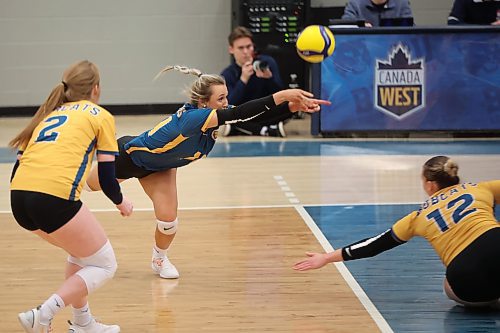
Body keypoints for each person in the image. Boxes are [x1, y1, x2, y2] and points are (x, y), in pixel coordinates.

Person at [85, 65, 330, 280]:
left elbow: (247, 116)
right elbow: (239, 113)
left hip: (160, 168)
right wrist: (281, 95)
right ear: (204, 103)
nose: (226, 103)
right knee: (84, 186)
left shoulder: (211, 119)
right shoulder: (193, 119)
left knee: (168, 222)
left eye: (226, 98)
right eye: (221, 99)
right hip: (128, 158)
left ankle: (159, 259)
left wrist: (290, 107)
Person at [9, 60, 133, 333]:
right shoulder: (100, 115)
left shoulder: (47, 114)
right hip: (52, 198)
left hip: (18, 199)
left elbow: (18, 166)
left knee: (81, 254)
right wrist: (121, 202)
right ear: (96, 89)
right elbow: (106, 178)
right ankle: (42, 313)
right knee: (105, 263)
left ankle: (82, 323)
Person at [294, 156, 500, 308]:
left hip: (466, 277)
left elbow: (374, 245)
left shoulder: (418, 217)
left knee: (449, 288)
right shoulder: (481, 189)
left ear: (430, 185)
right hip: (495, 242)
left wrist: (326, 258)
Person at [220, 26, 293, 137]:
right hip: (244, 113)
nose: (246, 52)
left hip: (266, 111)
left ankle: (242, 129)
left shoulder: (266, 62)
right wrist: (243, 80)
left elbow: (280, 94)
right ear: (231, 49)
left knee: (293, 104)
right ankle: (266, 130)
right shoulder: (228, 73)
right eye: (241, 48)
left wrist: (269, 79)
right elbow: (229, 104)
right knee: (225, 115)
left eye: (249, 47)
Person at [341, 0, 413, 27]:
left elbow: (411, 29)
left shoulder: (402, 4)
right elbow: (345, 25)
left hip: (393, 46)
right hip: (364, 47)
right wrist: (361, 25)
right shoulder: (355, 4)